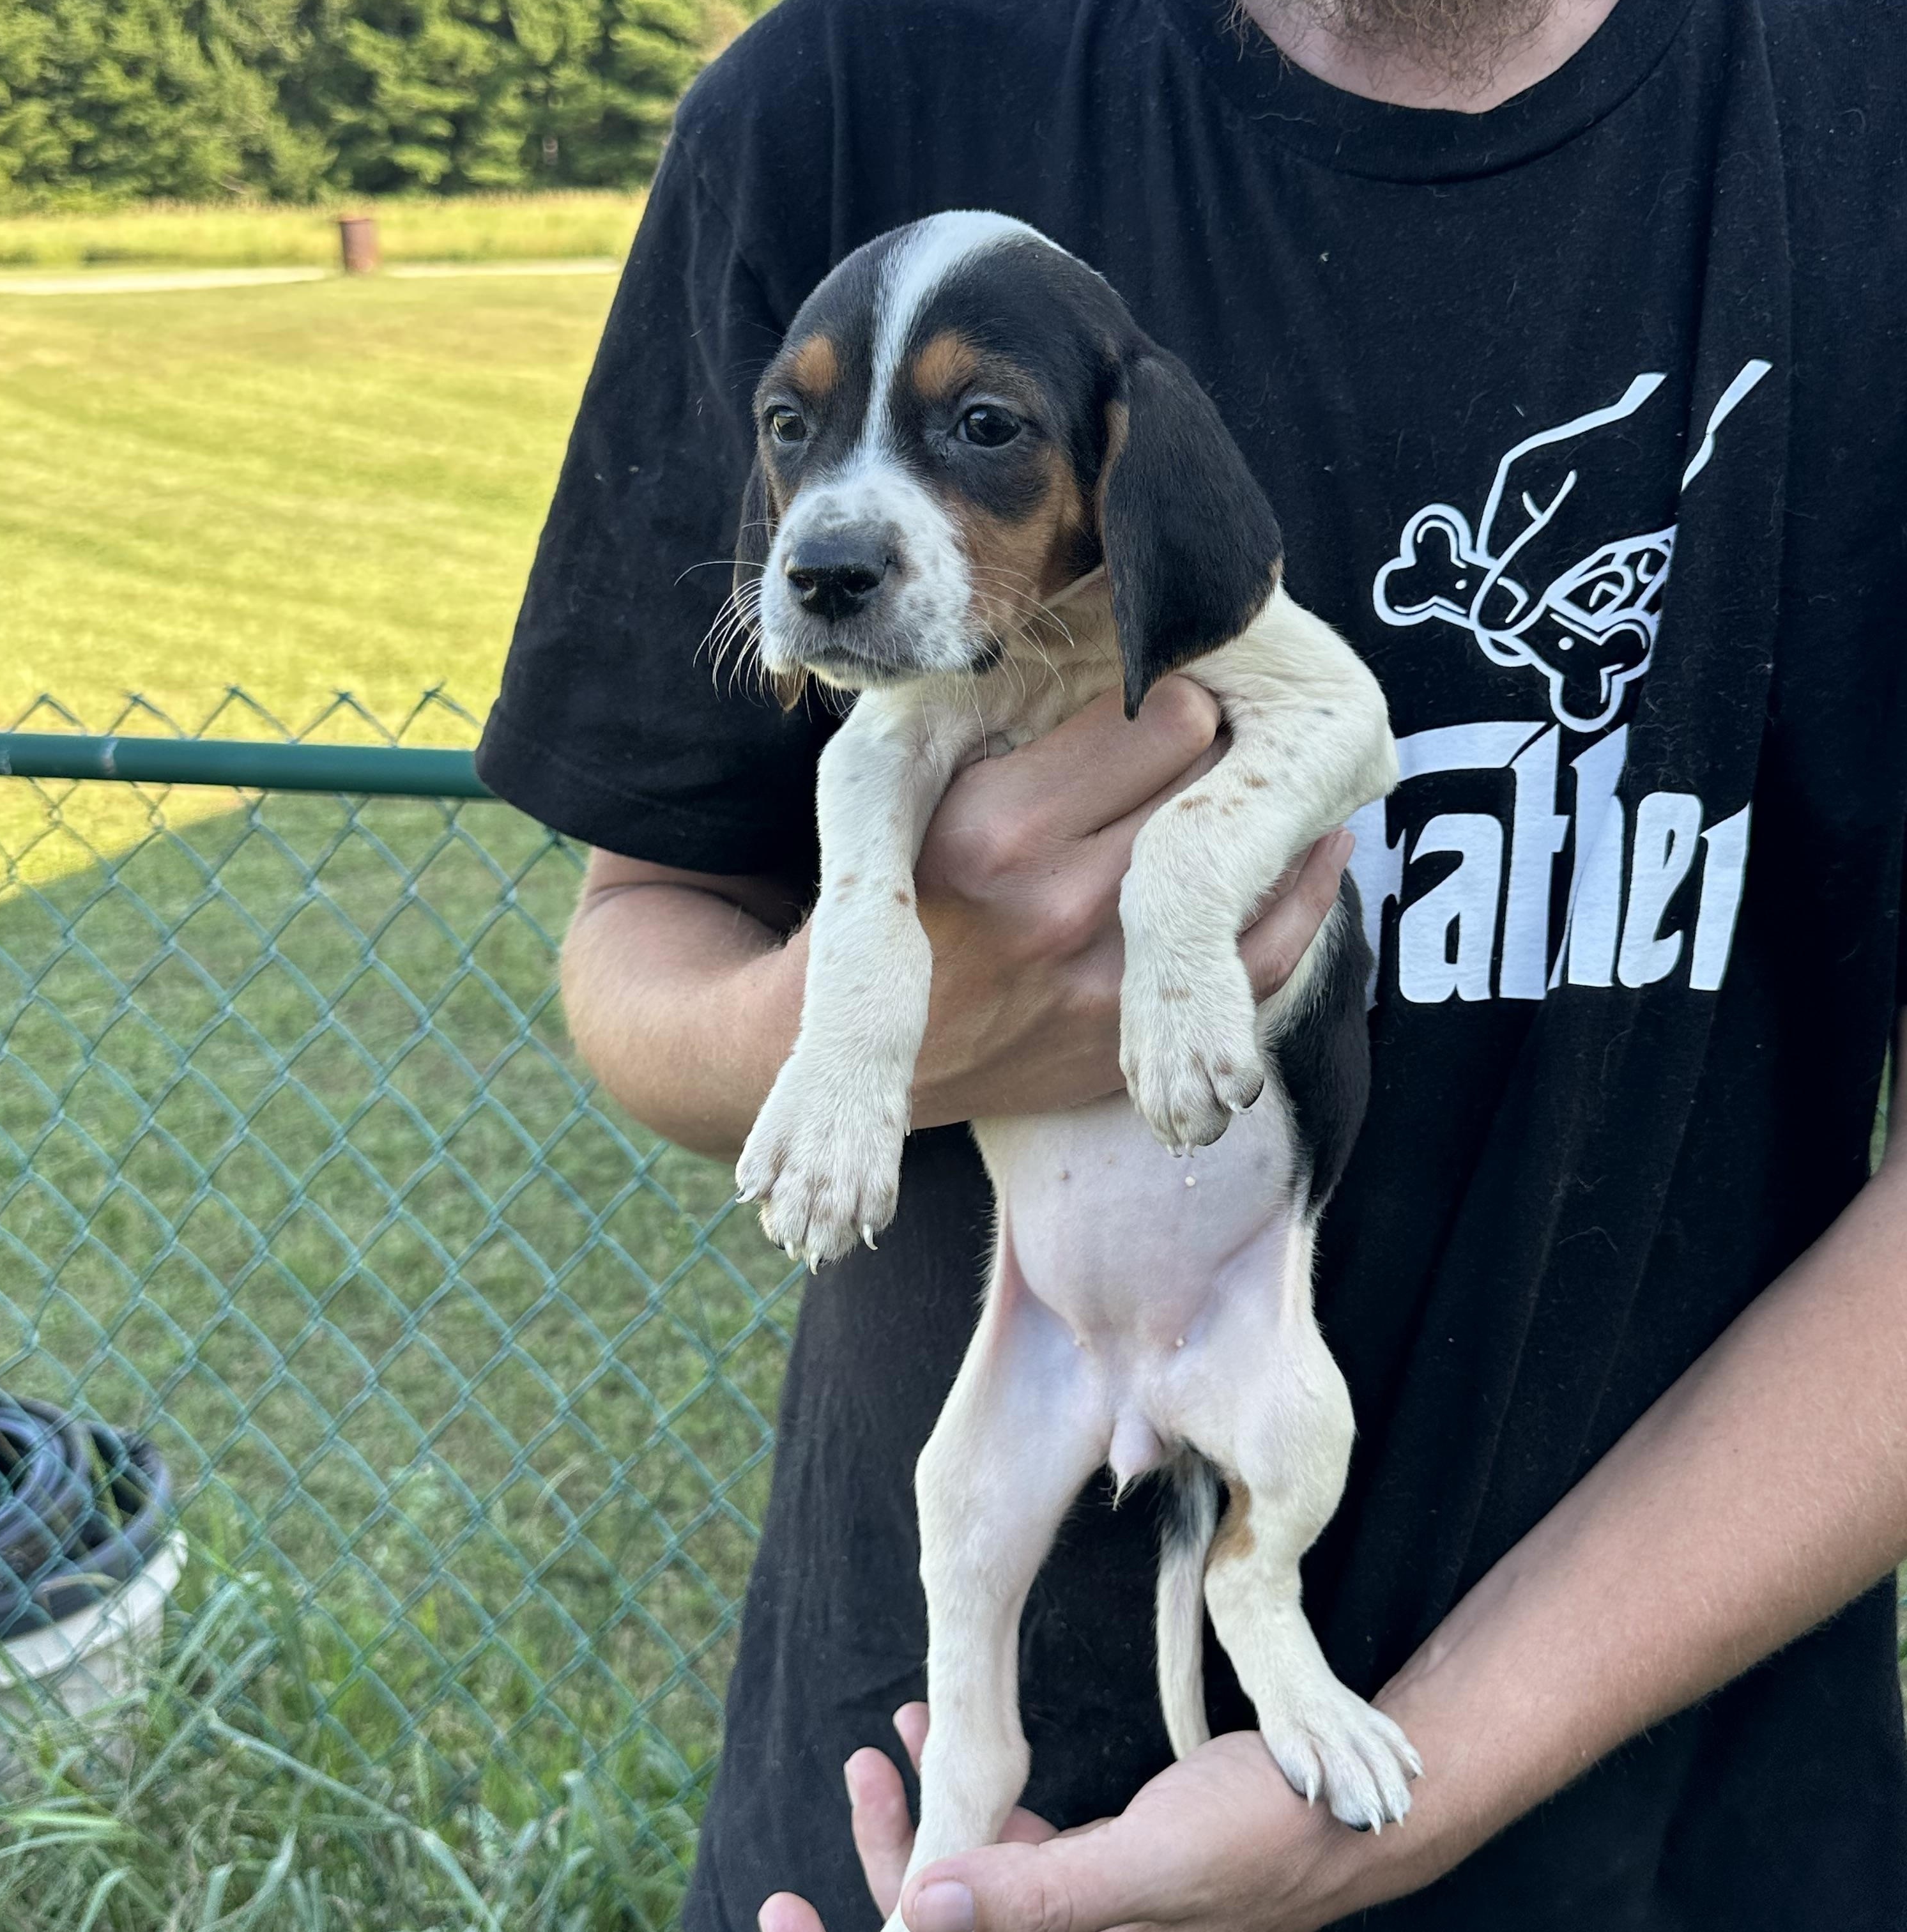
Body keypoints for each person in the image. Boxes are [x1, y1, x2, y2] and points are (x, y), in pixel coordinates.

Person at [476, 0, 1907, 1924]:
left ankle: (1264, 1622)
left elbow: (1324, 718)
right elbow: (647, 929)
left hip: (1680, 1819)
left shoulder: (1866, 121)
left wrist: (1435, 1774)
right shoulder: (839, 99)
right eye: (804, 436)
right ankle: (985, 1746)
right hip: (937, 1810)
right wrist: (875, 1030)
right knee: (968, 1512)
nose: (838, 515)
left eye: (985, 433)